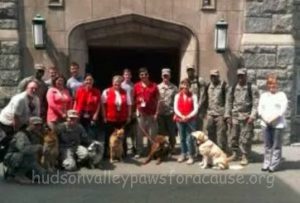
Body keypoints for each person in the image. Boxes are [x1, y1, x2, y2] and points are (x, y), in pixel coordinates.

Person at [225, 68, 259, 165]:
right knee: (234, 136)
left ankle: (245, 155)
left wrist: (252, 116)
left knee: (246, 137)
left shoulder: (252, 88)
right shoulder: (233, 87)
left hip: (246, 117)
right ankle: (235, 154)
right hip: (235, 116)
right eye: (239, 76)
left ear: (246, 76)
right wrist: (228, 115)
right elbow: (229, 102)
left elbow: (256, 104)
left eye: (242, 76)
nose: (240, 78)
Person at [258, 74, 288, 173]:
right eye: (270, 83)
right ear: (267, 85)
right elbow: (260, 109)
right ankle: (266, 163)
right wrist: (265, 119)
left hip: (278, 124)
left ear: (277, 84)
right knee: (267, 145)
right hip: (265, 123)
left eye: (274, 83)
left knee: (276, 146)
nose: (272, 86)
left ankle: (273, 165)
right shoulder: (264, 95)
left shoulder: (282, 95)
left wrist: (272, 119)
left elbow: (282, 110)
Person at [3, 116, 46, 184]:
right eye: (35, 125)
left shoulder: (37, 135)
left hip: (29, 159)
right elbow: (23, 149)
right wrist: (38, 147)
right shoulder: (22, 134)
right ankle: (19, 174)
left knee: (42, 175)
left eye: (40, 125)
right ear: (29, 124)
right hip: (14, 157)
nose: (38, 127)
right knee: (26, 155)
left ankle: (14, 173)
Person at [102, 75, 132, 158]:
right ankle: (107, 153)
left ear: (121, 83)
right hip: (110, 118)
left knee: (122, 137)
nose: (117, 84)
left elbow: (129, 104)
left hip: (122, 119)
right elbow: (103, 105)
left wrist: (129, 116)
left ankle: (122, 153)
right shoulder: (106, 91)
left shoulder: (125, 92)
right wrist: (104, 116)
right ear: (112, 82)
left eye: (119, 83)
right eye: (115, 82)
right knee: (109, 137)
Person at [133, 67, 159, 158]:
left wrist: (157, 113)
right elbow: (133, 100)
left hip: (152, 113)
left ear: (148, 75)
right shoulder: (136, 86)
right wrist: (135, 111)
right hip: (141, 113)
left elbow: (158, 100)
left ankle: (150, 151)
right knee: (139, 133)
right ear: (139, 76)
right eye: (141, 75)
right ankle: (139, 151)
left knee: (152, 133)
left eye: (145, 74)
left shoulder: (154, 85)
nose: (143, 76)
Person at [174, 79, 198, 165]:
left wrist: (188, 116)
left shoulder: (193, 96)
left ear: (189, 86)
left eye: (187, 85)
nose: (185, 87)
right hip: (180, 119)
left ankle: (191, 155)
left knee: (189, 138)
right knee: (182, 138)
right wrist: (182, 116)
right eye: (183, 85)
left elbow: (195, 109)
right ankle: (183, 154)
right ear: (181, 86)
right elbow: (175, 108)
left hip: (190, 120)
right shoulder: (177, 96)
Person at [205, 69, 228, 151]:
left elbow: (228, 101)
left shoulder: (223, 85)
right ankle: (212, 150)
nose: (213, 78)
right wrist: (205, 113)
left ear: (218, 76)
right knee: (210, 132)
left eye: (215, 76)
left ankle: (221, 151)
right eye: (212, 76)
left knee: (221, 134)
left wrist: (227, 114)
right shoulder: (208, 86)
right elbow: (205, 99)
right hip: (210, 113)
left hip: (220, 114)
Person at [74, 74, 101, 140]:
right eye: (87, 80)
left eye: (90, 80)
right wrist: (74, 112)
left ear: (93, 81)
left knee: (91, 133)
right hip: (80, 114)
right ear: (84, 81)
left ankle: (90, 147)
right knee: (80, 132)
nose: (88, 81)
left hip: (91, 115)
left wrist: (96, 114)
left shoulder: (97, 91)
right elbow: (76, 102)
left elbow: (98, 104)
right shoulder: (79, 90)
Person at [157, 68, 178, 153]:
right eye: (164, 75)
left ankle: (172, 147)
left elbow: (177, 101)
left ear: (170, 76)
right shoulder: (158, 87)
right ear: (162, 76)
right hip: (161, 113)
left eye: (167, 75)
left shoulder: (174, 88)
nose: (165, 77)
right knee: (161, 132)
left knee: (172, 131)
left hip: (170, 112)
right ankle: (161, 147)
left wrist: (176, 112)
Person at [186, 64, 206, 131]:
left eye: (191, 70)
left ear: (194, 70)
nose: (190, 72)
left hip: (198, 108)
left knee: (198, 128)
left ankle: (198, 141)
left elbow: (203, 95)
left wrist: (198, 107)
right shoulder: (185, 81)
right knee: (189, 128)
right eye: (188, 70)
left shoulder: (199, 80)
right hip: (188, 108)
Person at [121, 68, 136, 155]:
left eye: (128, 75)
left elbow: (134, 98)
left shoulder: (133, 85)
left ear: (131, 76)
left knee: (132, 131)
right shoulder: (121, 85)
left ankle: (132, 147)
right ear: (123, 76)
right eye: (125, 74)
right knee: (124, 131)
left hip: (132, 109)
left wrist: (134, 111)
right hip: (124, 110)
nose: (127, 76)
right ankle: (125, 149)